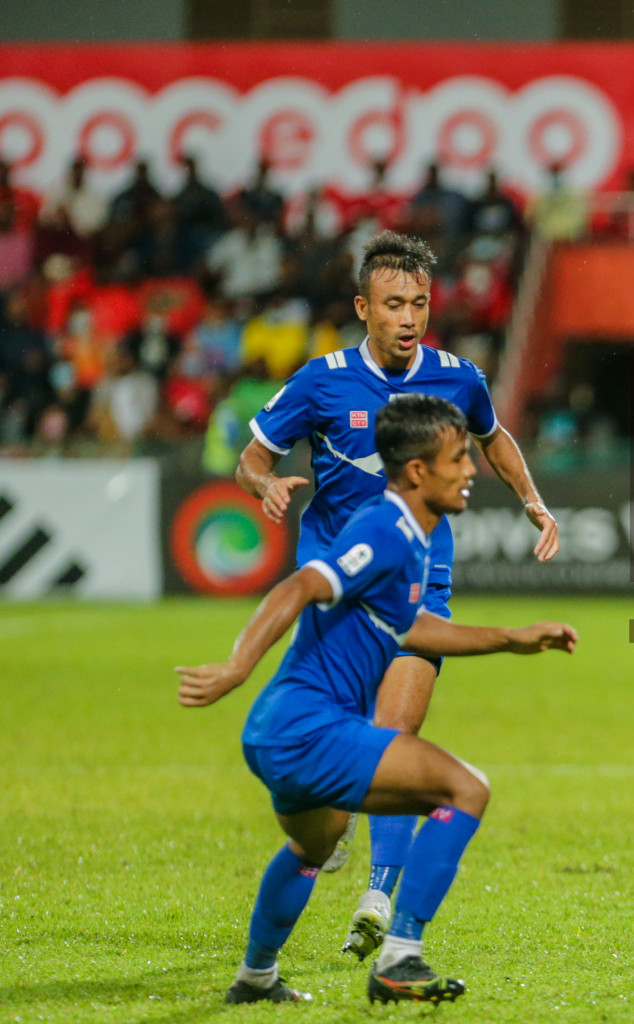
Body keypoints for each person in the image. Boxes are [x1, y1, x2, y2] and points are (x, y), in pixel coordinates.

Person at [179, 394, 579, 1004]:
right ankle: (401, 958)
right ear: (417, 471)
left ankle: (256, 977)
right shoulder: (385, 529)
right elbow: (304, 583)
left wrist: (509, 638)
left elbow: (410, 626)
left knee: (313, 843)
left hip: (277, 731)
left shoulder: (412, 537)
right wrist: (237, 667)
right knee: (466, 789)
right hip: (310, 729)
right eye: (458, 460)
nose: (471, 470)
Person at [235, 231, 560, 960]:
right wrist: (267, 484)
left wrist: (534, 501)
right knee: (327, 804)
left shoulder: (457, 377)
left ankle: (380, 900)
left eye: (418, 302)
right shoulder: (322, 381)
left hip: (417, 588)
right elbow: (252, 456)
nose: (408, 317)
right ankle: (294, 902)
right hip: (338, 599)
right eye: (393, 304)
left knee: (398, 735)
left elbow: (495, 437)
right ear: (364, 307)